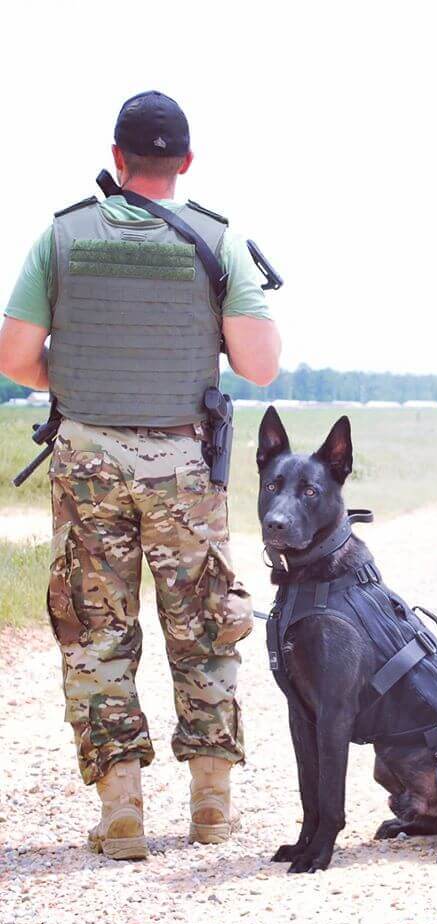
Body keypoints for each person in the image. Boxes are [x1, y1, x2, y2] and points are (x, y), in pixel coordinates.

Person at [0, 91, 281, 860]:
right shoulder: (217, 243)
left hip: (86, 462)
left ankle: (121, 811)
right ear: (185, 162)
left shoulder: (61, 237)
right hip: (184, 470)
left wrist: (87, 382)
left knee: (95, 632)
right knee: (204, 627)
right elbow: (258, 366)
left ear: (117, 158)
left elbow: (15, 356)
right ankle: (212, 807)